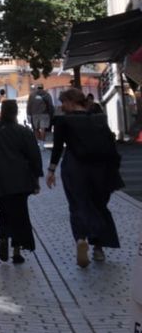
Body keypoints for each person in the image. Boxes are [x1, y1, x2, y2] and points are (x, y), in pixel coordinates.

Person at [47, 88, 123, 267]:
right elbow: (111, 146)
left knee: (77, 205)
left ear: (71, 102)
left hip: (75, 168)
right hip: (100, 170)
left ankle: (81, 239)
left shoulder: (63, 121)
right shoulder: (99, 118)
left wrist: (51, 170)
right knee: (98, 206)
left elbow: (57, 148)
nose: (61, 106)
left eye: (63, 102)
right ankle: (98, 248)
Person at [0, 100, 42, 264]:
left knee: (5, 212)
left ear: (1, 113)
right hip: (21, 180)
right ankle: (16, 251)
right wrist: (36, 178)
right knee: (20, 214)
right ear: (15, 114)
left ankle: (4, 237)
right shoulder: (23, 132)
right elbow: (34, 156)